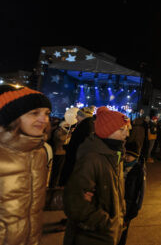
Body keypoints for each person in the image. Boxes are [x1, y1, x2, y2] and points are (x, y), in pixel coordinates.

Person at [63, 106, 128, 245]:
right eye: (122, 129)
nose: (126, 134)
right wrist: (106, 223)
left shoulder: (115, 154)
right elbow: (75, 203)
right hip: (92, 237)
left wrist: (120, 214)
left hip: (107, 235)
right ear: (107, 131)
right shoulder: (92, 158)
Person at [0, 85, 52, 244]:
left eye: (46, 113)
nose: (44, 119)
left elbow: (28, 197)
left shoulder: (39, 152)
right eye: (34, 113)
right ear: (13, 118)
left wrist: (66, 198)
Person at [59, 106, 95, 186]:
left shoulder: (85, 127)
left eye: (78, 115)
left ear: (83, 116)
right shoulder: (87, 125)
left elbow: (78, 145)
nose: (76, 117)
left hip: (75, 161)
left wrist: (67, 147)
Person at [118, 142, 146, 245]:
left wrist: (136, 207)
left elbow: (140, 191)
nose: (126, 157)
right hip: (119, 204)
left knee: (123, 231)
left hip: (129, 207)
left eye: (129, 155)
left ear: (135, 156)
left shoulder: (138, 170)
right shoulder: (121, 166)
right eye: (125, 155)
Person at [49, 120, 72, 187]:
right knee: (56, 173)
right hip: (59, 153)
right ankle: (53, 186)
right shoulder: (59, 132)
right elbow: (61, 139)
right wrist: (69, 134)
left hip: (60, 152)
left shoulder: (62, 131)